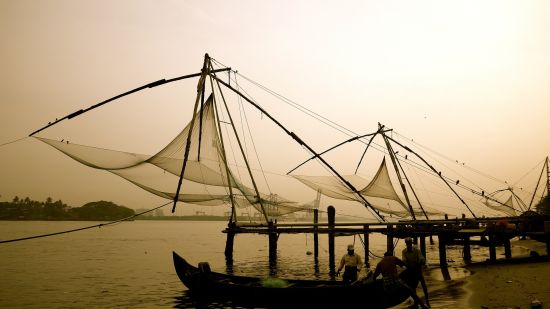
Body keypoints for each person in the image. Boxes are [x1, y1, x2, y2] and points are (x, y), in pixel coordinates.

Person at [402, 237, 430, 308]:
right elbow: (404, 261)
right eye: (407, 243)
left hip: (417, 269)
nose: (408, 245)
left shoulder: (416, 250)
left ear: (411, 243)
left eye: (409, 243)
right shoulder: (404, 251)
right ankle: (415, 303)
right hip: (411, 270)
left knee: (423, 285)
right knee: (412, 287)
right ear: (406, 244)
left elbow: (422, 259)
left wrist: (420, 262)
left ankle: (427, 301)